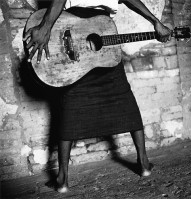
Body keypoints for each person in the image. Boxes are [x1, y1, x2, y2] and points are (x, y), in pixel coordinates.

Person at [23, 0, 171, 194]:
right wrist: (45, 27)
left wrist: (155, 22)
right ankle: (142, 164)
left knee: (83, 101)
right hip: (72, 27)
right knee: (106, 98)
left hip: (104, 28)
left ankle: (63, 179)